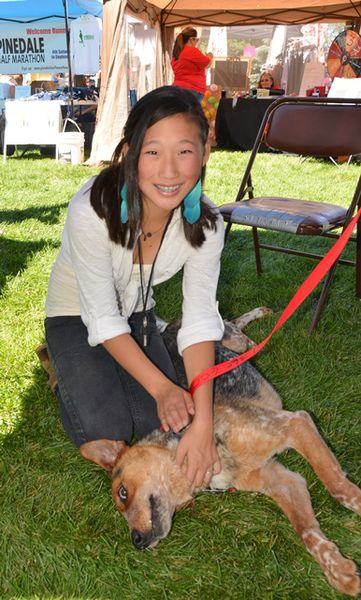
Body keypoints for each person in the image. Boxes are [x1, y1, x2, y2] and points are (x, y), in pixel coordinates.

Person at [44, 85, 225, 489]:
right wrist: (163, 387)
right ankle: (60, 362)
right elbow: (102, 317)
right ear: (129, 152)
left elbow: (199, 319)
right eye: (153, 151)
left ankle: (115, 369)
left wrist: (203, 425)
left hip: (137, 313)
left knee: (157, 424)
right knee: (106, 429)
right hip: (76, 313)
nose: (169, 171)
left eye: (184, 151)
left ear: (204, 153)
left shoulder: (208, 224)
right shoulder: (91, 209)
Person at [171, 27, 213, 100]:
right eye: (197, 40)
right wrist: (210, 56)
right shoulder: (192, 51)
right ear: (191, 39)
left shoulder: (176, 52)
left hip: (177, 88)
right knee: (191, 111)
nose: (197, 42)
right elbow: (207, 64)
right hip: (192, 89)